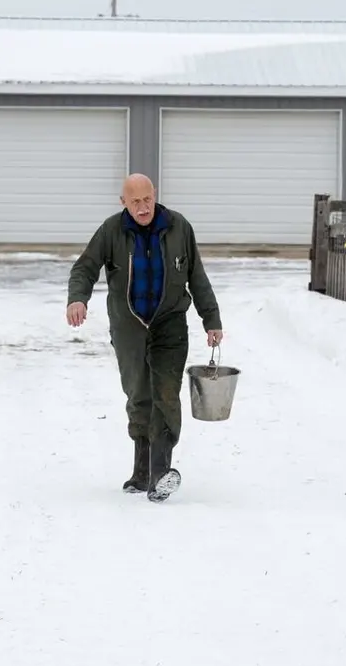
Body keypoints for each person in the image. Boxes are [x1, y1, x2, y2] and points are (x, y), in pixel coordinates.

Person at [66, 173, 223, 503]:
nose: (143, 207)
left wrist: (211, 319)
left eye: (147, 199)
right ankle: (141, 470)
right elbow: (85, 268)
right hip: (129, 326)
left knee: (166, 393)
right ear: (123, 202)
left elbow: (196, 276)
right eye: (135, 201)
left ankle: (159, 473)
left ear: (155, 195)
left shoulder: (179, 227)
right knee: (138, 394)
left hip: (170, 323)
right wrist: (78, 298)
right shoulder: (112, 230)